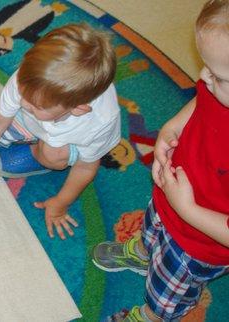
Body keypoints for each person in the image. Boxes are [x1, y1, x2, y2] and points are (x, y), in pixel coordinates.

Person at [91, 1, 229, 321]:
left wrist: (188, 209)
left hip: (198, 243)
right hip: (172, 195)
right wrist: (172, 127)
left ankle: (152, 316)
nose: (204, 76)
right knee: (152, 228)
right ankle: (142, 253)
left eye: (219, 76)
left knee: (169, 292)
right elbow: (201, 101)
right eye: (206, 66)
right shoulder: (215, 84)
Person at [0, 23, 120, 240]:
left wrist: (60, 203)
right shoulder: (30, 80)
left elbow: (86, 168)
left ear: (78, 108)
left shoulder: (99, 122)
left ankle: (38, 156)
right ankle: (36, 137)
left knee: (53, 154)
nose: (24, 101)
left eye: (36, 104)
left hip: (66, 144)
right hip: (31, 123)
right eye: (24, 94)